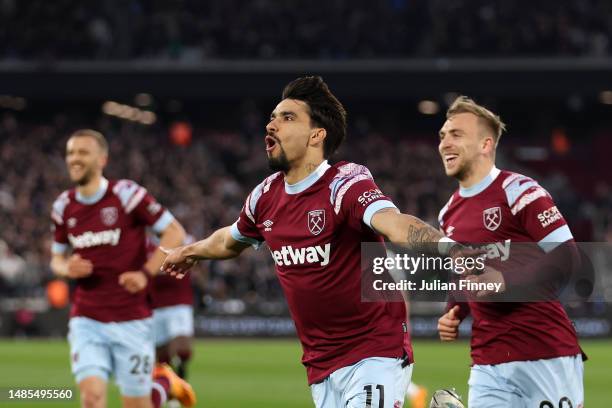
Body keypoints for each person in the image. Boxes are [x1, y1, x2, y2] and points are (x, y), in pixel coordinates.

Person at [161, 76, 463, 408]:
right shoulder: (265, 197)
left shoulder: (344, 183)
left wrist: (450, 249)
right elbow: (230, 240)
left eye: (287, 117)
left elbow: (395, 224)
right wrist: (189, 252)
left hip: (374, 350)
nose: (272, 124)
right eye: (273, 116)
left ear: (317, 134)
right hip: (320, 363)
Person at [435, 97, 584, 407]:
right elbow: (467, 275)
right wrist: (456, 310)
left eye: (456, 134)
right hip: (487, 361)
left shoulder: (520, 191)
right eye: (443, 135)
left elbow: (567, 257)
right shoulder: (448, 214)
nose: (445, 143)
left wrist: (503, 280)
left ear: (486, 145)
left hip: (544, 351)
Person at [50, 129, 196, 408]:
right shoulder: (63, 206)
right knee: (92, 399)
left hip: (132, 320)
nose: (74, 159)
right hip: (87, 319)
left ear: (102, 159)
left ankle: (166, 383)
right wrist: (67, 267)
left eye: (83, 152)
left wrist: (145, 273)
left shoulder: (127, 194)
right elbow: (55, 259)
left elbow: (174, 233)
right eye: (70, 153)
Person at [149, 235, 195, 380]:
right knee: (161, 359)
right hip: (155, 307)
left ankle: (181, 378)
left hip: (179, 304)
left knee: (182, 349)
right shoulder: (145, 245)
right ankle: (171, 392)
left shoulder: (184, 242)